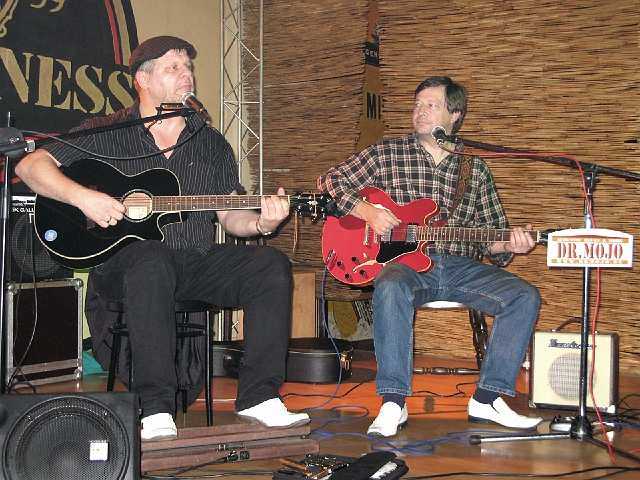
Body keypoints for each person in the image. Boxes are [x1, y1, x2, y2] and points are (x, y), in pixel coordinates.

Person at [16, 35, 309, 440]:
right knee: (151, 256)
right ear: (143, 79)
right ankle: (154, 408)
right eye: (173, 67)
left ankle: (259, 396)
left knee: (270, 265)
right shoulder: (107, 130)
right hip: (125, 267)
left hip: (192, 261)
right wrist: (84, 198)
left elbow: (230, 215)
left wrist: (261, 224)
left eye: (188, 67)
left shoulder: (210, 143)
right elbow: (31, 167)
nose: (187, 74)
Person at [317, 76, 543, 437]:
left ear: (455, 115)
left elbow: (492, 238)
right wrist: (367, 211)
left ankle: (487, 399)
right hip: (404, 267)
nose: (419, 111)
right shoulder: (386, 154)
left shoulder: (475, 169)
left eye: (431, 105)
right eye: (417, 104)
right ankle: (393, 402)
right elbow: (330, 182)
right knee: (390, 286)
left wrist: (510, 244)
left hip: (461, 267)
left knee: (524, 295)